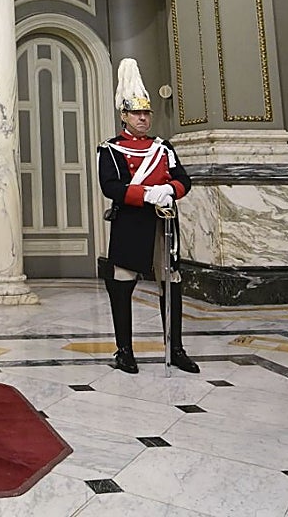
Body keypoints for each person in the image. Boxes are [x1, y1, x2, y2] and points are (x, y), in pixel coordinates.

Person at [97, 58, 198, 375]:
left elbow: (184, 179)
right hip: (130, 225)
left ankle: (176, 348)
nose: (143, 118)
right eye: (137, 113)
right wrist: (145, 194)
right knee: (122, 287)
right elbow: (110, 186)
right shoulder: (111, 149)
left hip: (164, 224)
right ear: (124, 115)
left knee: (172, 285)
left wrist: (170, 191)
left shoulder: (163, 147)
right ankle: (124, 351)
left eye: (146, 113)